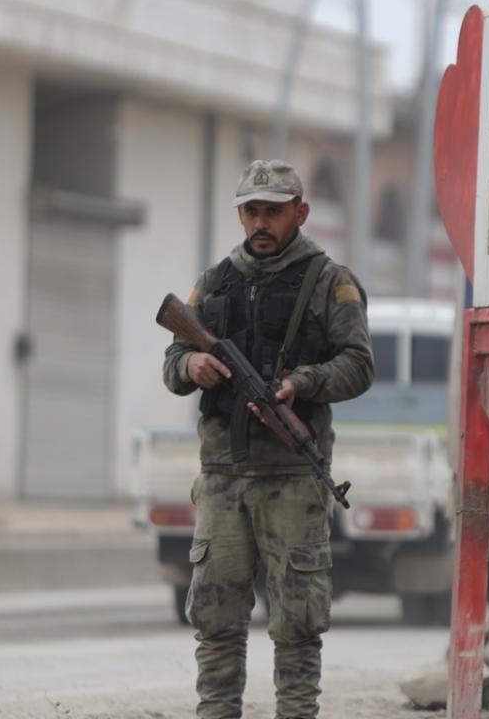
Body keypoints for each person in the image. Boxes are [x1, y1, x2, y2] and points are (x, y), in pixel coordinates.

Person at [163, 159, 375, 719]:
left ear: (299, 213)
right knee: (216, 617)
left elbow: (358, 365)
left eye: (274, 211)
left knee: (298, 622)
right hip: (224, 478)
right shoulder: (213, 282)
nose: (262, 222)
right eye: (253, 210)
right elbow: (172, 362)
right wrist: (194, 366)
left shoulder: (331, 282)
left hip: (292, 479)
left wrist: (301, 383)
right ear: (240, 213)